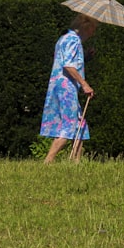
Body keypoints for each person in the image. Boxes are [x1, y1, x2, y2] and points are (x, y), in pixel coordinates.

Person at [40, 14, 98, 163]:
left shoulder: (64, 38)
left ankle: (76, 162)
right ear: (86, 27)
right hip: (66, 88)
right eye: (93, 28)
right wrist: (84, 84)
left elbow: (65, 60)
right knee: (69, 125)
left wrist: (85, 57)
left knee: (80, 125)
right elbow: (68, 65)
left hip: (59, 85)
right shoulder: (74, 40)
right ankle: (48, 160)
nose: (93, 32)